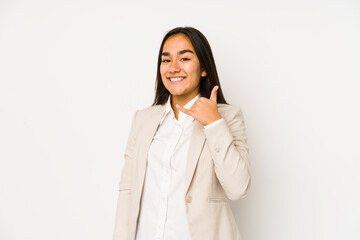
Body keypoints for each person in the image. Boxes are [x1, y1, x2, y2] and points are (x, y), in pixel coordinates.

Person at [112, 26, 251, 240]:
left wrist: (214, 123)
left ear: (203, 68)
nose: (173, 68)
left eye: (184, 59)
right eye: (166, 60)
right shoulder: (143, 119)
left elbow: (238, 188)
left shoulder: (228, 117)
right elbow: (128, 192)